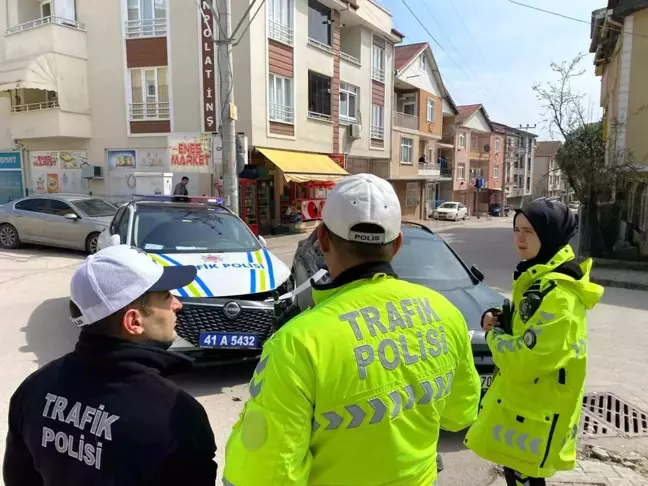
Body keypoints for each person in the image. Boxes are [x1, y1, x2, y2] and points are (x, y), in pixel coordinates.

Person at [224, 173, 481, 485]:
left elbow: (263, 472)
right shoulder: (445, 313)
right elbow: (460, 414)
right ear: (397, 244)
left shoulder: (298, 342)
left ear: (322, 239)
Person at [3, 245, 217, 486]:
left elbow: (19, 478)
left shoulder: (35, 389)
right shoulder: (175, 415)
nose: (177, 305)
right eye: (167, 296)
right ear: (134, 321)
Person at [464, 198, 604, 486]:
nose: (520, 239)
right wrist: (499, 316)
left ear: (550, 233)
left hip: (536, 417)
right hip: (524, 410)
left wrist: (494, 336)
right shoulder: (537, 277)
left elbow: (526, 360)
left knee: (525, 478)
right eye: (516, 230)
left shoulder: (559, 294)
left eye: (530, 231)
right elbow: (526, 324)